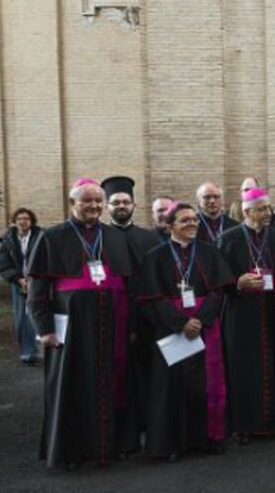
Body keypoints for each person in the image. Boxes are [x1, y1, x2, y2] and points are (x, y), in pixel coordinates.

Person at [28, 179, 138, 469]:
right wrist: (44, 329)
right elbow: (37, 289)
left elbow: (127, 281)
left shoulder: (113, 236)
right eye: (86, 201)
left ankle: (112, 446)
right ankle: (73, 450)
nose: (93, 206)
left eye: (97, 201)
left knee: (114, 382)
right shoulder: (52, 237)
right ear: (72, 203)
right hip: (73, 327)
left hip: (113, 321)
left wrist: (132, 326)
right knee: (73, 385)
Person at [140, 202, 234, 460]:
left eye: (194, 220)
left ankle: (209, 438)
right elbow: (153, 298)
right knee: (172, 386)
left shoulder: (209, 252)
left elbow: (218, 290)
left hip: (205, 327)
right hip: (172, 329)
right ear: (170, 226)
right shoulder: (156, 256)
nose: (192, 224)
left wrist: (201, 320)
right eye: (185, 221)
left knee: (207, 384)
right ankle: (174, 443)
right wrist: (181, 322)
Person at [217, 188, 275, 441]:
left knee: (272, 363)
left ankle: (272, 423)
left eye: (268, 208)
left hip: (272, 311)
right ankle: (245, 425)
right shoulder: (229, 238)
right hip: (241, 314)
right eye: (261, 209)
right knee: (244, 369)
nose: (267, 213)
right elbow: (218, 279)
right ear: (247, 211)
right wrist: (237, 282)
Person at [103, 175, 165, 442]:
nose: (120, 206)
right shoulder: (99, 238)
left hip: (146, 316)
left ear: (134, 205)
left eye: (125, 202)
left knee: (148, 373)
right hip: (111, 317)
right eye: (115, 202)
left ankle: (149, 424)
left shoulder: (149, 238)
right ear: (108, 206)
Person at [0, 207, 43, 367]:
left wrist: (34, 279)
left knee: (34, 315)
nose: (23, 222)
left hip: (37, 282)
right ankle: (27, 352)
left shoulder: (41, 237)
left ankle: (40, 349)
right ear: (15, 222)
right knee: (20, 318)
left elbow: (46, 258)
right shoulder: (8, 239)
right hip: (18, 283)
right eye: (19, 219)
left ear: (31, 221)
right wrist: (18, 279)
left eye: (26, 219)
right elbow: (3, 264)